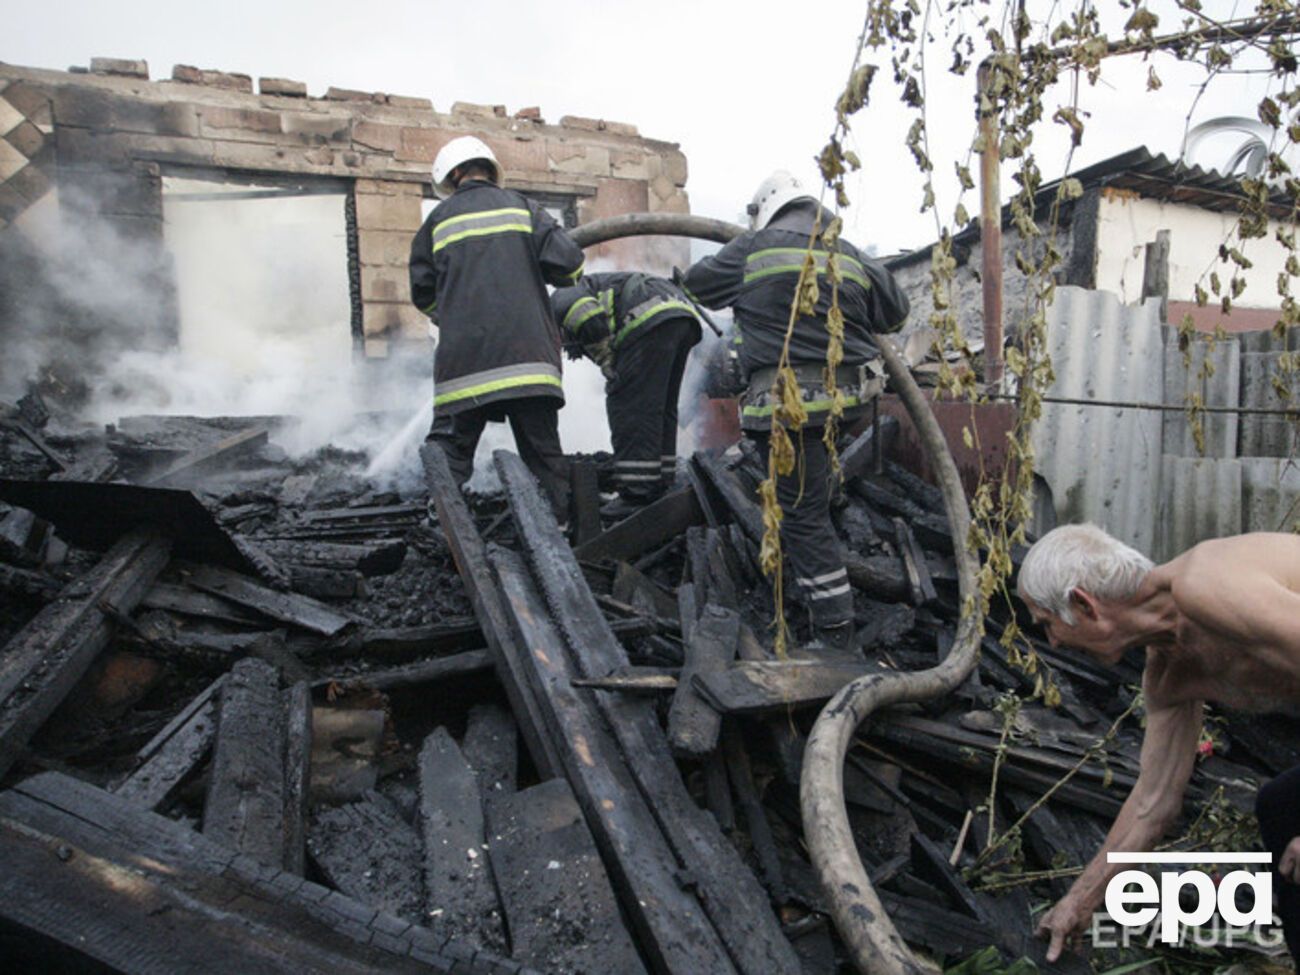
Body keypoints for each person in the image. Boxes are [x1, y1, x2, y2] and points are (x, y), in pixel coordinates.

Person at [1017, 523, 1300, 962]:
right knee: (1281, 807)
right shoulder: (1168, 672)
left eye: (1047, 624)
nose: (1052, 641)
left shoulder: (1207, 584)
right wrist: (1082, 899)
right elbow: (1154, 803)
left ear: (1083, 604)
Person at [682, 171, 909, 651]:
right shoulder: (852, 255)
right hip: (848, 404)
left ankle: (834, 632)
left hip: (790, 408)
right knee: (811, 487)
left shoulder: (752, 248)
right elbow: (897, 311)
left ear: (767, 209)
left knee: (802, 514)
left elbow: (699, 285)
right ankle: (821, 515)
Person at [409, 135, 585, 520]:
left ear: (454, 175)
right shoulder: (525, 208)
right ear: (490, 170)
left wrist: (454, 315)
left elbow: (423, 294)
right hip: (529, 362)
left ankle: (441, 526)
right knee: (543, 456)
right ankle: (564, 530)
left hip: (464, 367)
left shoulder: (437, 221)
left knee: (450, 454)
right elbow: (570, 266)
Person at [551, 272, 702, 520]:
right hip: (680, 317)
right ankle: (661, 481)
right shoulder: (598, 286)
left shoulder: (557, 298)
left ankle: (636, 493)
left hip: (647, 318)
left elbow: (585, 316)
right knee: (659, 406)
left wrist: (605, 358)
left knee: (629, 404)